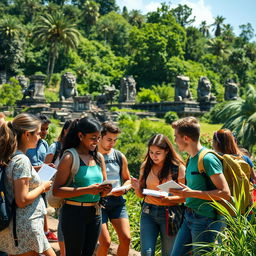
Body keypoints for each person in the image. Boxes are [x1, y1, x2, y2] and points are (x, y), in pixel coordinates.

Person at [169, 117, 230, 256]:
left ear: (185, 138)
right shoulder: (190, 158)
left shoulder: (207, 159)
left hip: (205, 220)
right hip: (189, 216)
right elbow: (194, 189)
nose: (174, 141)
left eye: (176, 137)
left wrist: (191, 193)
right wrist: (181, 192)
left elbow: (225, 192)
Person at [53, 117, 112, 256]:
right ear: (80, 136)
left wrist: (105, 191)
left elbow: (102, 188)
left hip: (95, 213)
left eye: (98, 138)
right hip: (73, 213)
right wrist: (88, 190)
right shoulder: (69, 157)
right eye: (93, 138)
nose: (96, 142)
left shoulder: (98, 157)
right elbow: (57, 190)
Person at [0, 113, 55, 256]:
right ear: (26, 135)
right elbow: (22, 200)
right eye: (37, 133)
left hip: (16, 225)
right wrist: (42, 186)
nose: (40, 136)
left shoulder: (10, 156)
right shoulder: (22, 160)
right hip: (25, 226)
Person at [131, 134, 186, 256]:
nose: (153, 156)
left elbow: (185, 196)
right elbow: (140, 195)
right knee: (146, 252)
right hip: (148, 212)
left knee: (168, 253)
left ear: (166, 151)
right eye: (151, 152)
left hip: (170, 214)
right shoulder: (146, 166)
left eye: (157, 153)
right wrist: (136, 188)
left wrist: (169, 198)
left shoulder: (178, 168)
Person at [96, 121, 131, 256]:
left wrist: (124, 188)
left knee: (126, 239)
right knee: (105, 242)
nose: (112, 143)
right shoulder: (92, 156)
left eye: (115, 140)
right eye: (109, 139)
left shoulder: (119, 156)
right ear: (100, 137)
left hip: (117, 201)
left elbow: (127, 179)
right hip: (99, 202)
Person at [26, 115, 58, 242]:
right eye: (42, 129)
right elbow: (25, 165)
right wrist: (41, 167)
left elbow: (43, 163)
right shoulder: (27, 144)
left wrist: (47, 168)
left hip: (42, 181)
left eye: (46, 129)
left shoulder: (44, 144)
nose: (44, 132)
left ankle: (44, 231)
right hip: (28, 182)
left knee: (42, 207)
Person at [45, 120, 72, 256]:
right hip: (57, 188)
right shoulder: (55, 147)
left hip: (73, 189)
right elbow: (45, 168)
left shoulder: (77, 149)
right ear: (65, 131)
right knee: (63, 219)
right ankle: (63, 252)